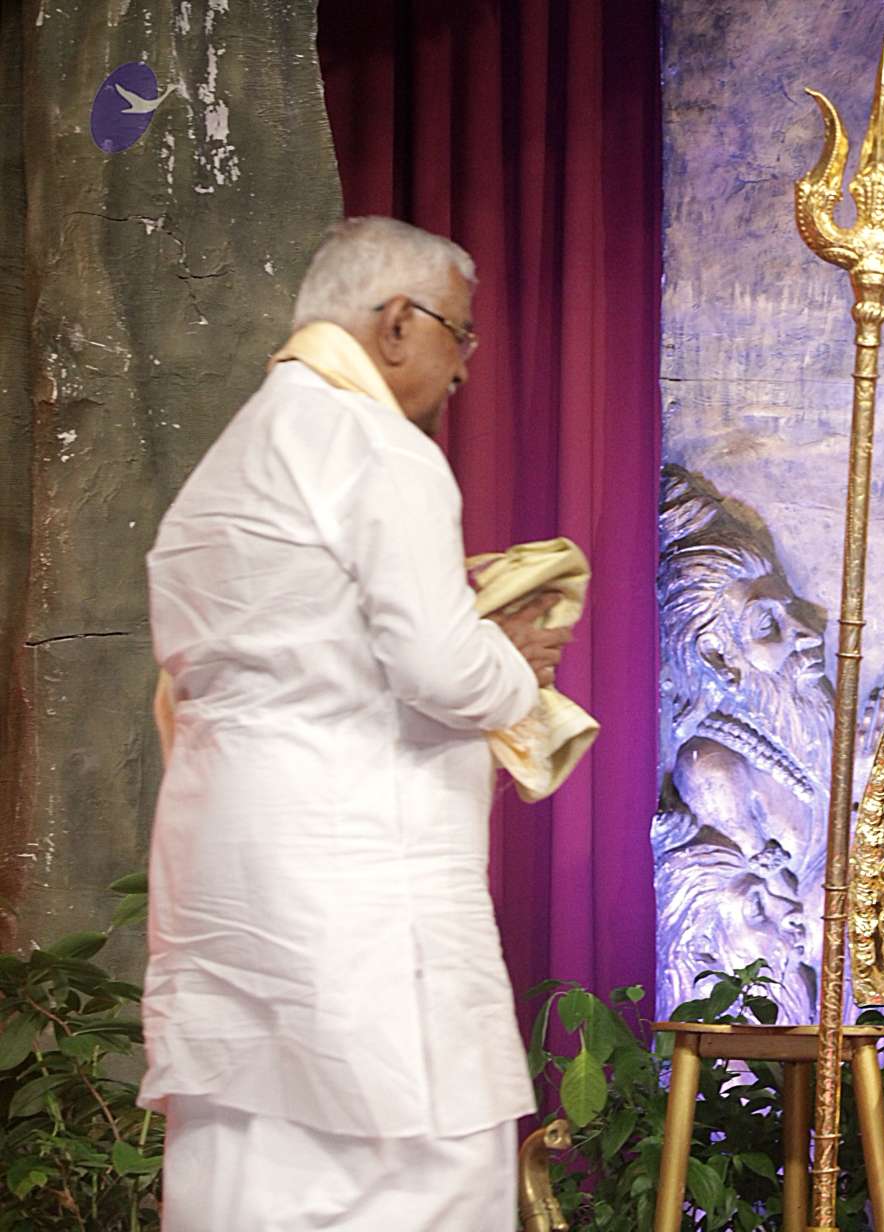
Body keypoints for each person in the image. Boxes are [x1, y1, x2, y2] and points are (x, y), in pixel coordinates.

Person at [140, 217, 570, 1230]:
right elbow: (437, 664)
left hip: (227, 872)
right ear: (396, 323)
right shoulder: (376, 444)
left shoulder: (228, 463)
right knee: (418, 1166)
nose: (465, 367)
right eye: (458, 334)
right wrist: (511, 660)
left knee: (244, 1161)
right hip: (358, 880)